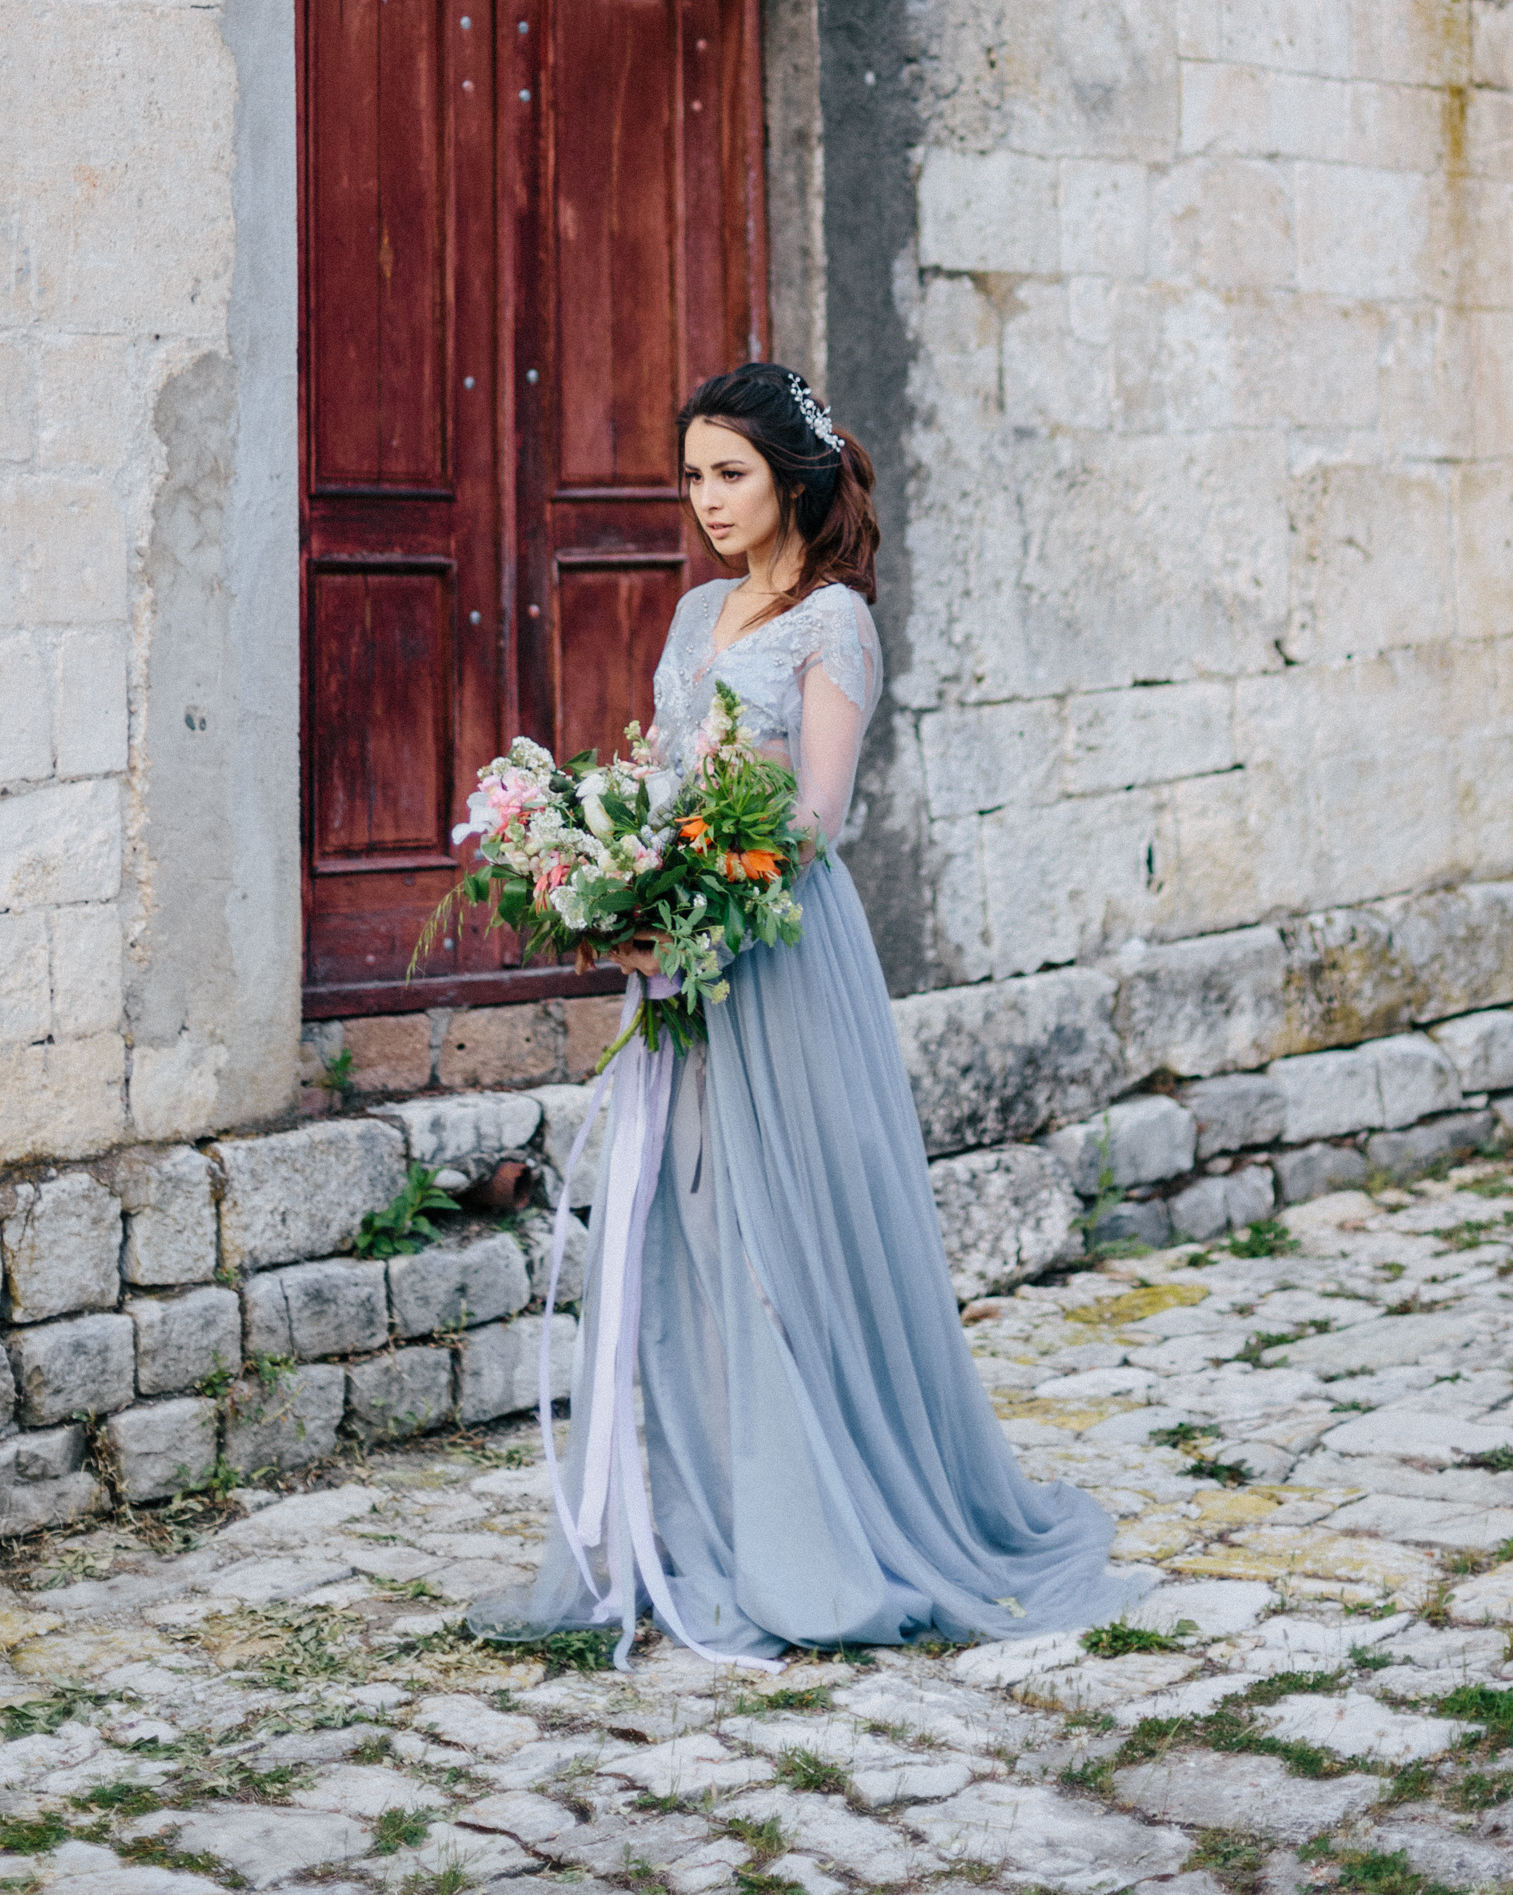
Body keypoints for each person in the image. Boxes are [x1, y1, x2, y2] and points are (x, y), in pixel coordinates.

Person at [472, 360, 1143, 1659]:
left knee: (787, 1227)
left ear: (791, 476)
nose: (707, 501)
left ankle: (827, 1526)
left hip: (781, 942)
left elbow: (819, 817)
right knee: (687, 1220)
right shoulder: (693, 616)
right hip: (687, 952)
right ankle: (708, 1511)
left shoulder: (835, 625)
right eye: (693, 478)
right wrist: (623, 880)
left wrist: (702, 879)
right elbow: (671, 778)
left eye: (730, 474)